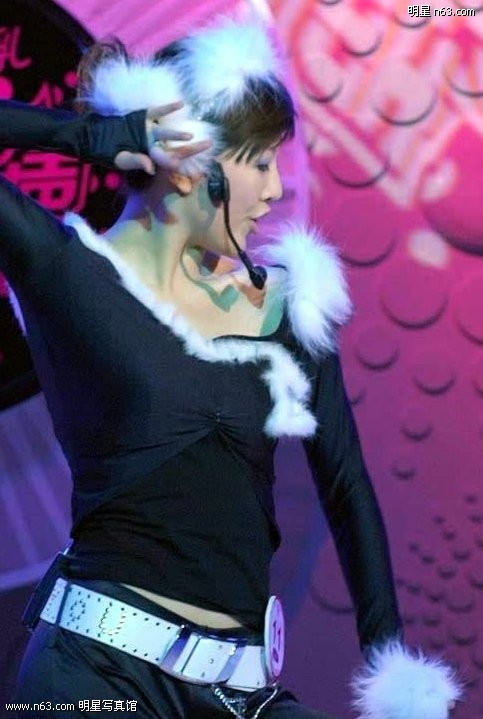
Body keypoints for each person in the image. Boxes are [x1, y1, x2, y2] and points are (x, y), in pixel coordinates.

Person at [1, 17, 460, 719]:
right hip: (91, 677)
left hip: (239, 691)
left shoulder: (287, 306)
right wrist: (90, 136)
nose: (273, 190)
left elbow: (346, 488)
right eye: (260, 162)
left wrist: (393, 671)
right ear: (196, 161)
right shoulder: (67, 270)